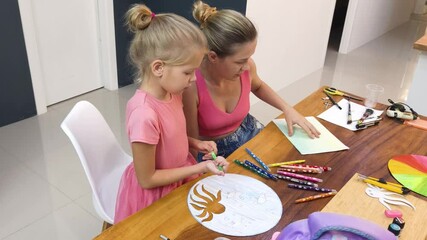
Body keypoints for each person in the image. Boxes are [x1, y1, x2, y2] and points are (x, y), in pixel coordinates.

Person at [114, 4, 229, 224]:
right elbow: (147, 179)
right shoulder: (144, 115)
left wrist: (195, 143)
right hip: (156, 194)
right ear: (158, 68)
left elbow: (167, 138)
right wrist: (202, 166)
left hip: (178, 176)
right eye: (187, 72)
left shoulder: (172, 92)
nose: (194, 79)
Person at [183, 1, 321, 161]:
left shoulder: (247, 68)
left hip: (247, 131)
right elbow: (191, 143)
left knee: (286, 162)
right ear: (213, 57)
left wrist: (288, 109)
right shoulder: (191, 85)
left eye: (249, 57)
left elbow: (259, 86)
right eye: (240, 61)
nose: (246, 66)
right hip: (209, 151)